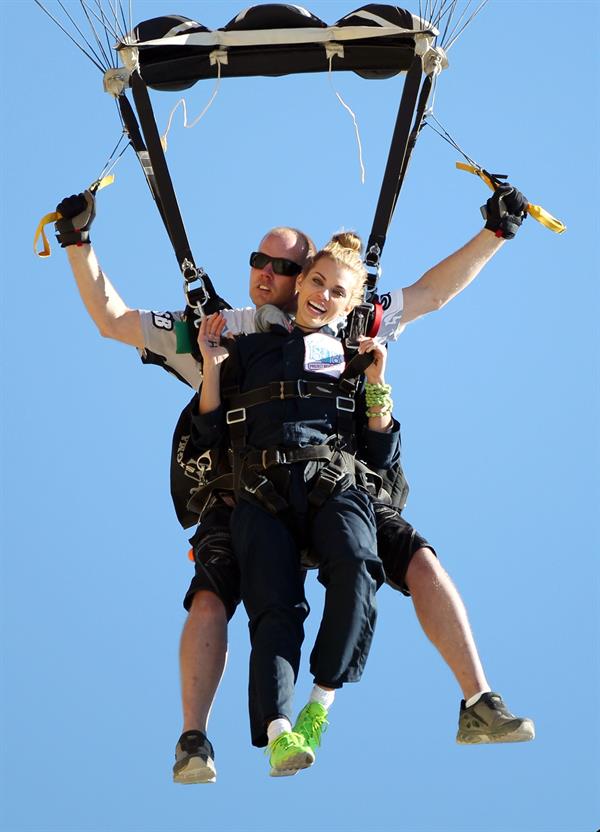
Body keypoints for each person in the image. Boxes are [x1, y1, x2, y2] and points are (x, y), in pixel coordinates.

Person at [54, 184, 534, 784]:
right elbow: (113, 319)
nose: (266, 274)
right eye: (259, 261)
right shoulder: (220, 330)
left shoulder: (353, 321)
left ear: (306, 274)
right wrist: (77, 241)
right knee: (215, 594)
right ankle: (196, 738)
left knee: (418, 561)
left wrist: (495, 233)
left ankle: (476, 700)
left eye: (285, 267)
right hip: (250, 487)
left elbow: (433, 292)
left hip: (336, 477)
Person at [192, 231, 398, 775]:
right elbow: (210, 430)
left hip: (331, 482)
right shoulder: (250, 347)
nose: (323, 295)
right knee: (272, 608)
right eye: (316, 282)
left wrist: (377, 383)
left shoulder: (350, 359)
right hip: (262, 488)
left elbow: (379, 448)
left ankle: (320, 703)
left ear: (350, 306)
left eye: (337, 292)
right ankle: (280, 731)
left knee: (358, 566)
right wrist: (213, 363)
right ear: (300, 284)